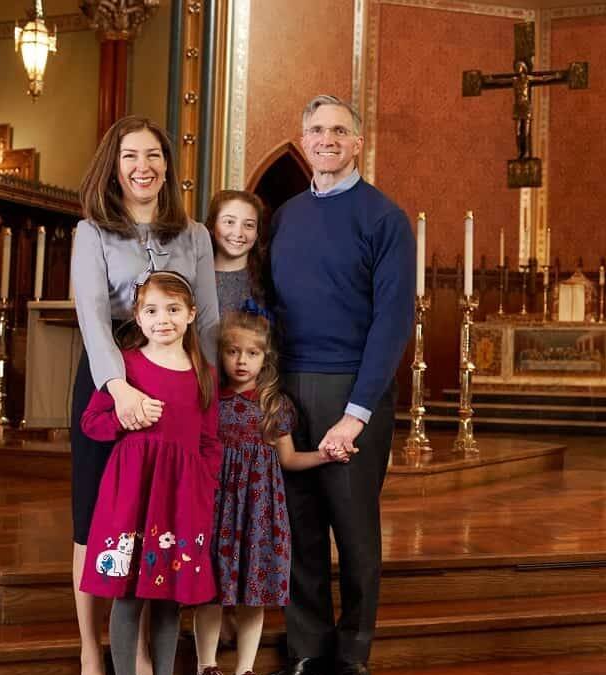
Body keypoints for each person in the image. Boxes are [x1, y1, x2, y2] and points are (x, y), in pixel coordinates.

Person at [269, 95, 416, 675]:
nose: (326, 139)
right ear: (304, 141)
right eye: (315, 130)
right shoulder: (284, 216)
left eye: (338, 130)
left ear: (359, 142)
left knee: (353, 530)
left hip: (354, 389)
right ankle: (307, 649)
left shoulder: (385, 218)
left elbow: (392, 321)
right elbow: (271, 311)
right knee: (299, 526)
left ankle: (353, 651)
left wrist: (355, 413)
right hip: (289, 387)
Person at [72, 116, 220, 675]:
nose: (144, 166)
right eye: (132, 156)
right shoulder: (93, 231)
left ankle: (139, 657)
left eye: (154, 156)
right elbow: (91, 315)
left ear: (167, 166)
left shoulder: (195, 235)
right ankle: (92, 649)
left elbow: (206, 319)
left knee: (154, 516)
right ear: (115, 164)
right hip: (111, 375)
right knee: (98, 519)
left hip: (178, 380)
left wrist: (207, 389)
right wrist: (120, 389)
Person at [78, 271, 222, 675]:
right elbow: (92, 422)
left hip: (179, 504)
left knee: (168, 599)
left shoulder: (203, 373)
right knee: (126, 598)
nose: (164, 319)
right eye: (152, 310)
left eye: (174, 309)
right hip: (131, 499)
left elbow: (210, 443)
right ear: (137, 318)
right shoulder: (125, 367)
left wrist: (203, 491)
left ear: (192, 314)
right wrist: (126, 418)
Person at [193, 311, 349, 675]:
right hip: (217, 509)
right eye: (233, 352)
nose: (241, 361)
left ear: (266, 358)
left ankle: (245, 669)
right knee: (209, 591)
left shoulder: (274, 406)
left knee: (254, 593)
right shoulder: (210, 401)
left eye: (252, 353)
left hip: (259, 513)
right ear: (221, 354)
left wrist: (325, 455)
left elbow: (289, 459)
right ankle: (206, 666)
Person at [205, 190, 270, 314]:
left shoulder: (268, 283)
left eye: (249, 225)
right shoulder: (194, 277)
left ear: (257, 233)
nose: (238, 233)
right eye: (229, 222)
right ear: (212, 226)